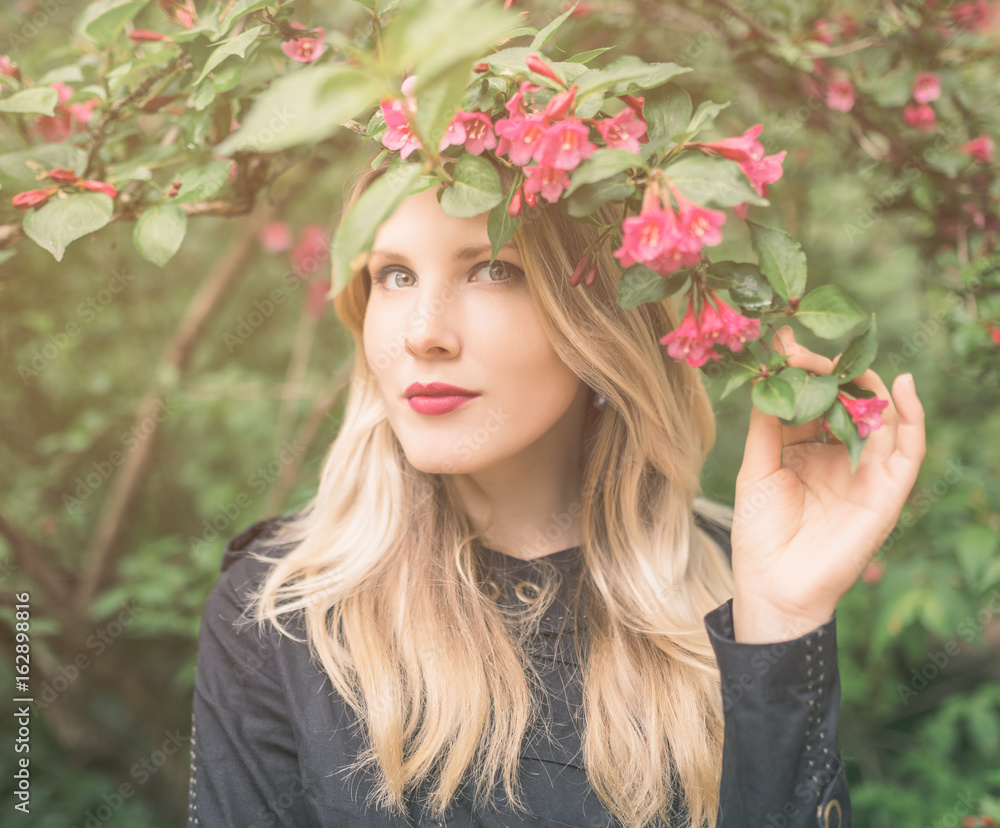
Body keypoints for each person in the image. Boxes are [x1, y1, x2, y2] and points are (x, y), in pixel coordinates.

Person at [185, 161, 926, 828]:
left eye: (493, 270)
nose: (423, 334)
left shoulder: (731, 595)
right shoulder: (278, 614)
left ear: (603, 318)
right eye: (395, 276)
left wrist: (782, 627)